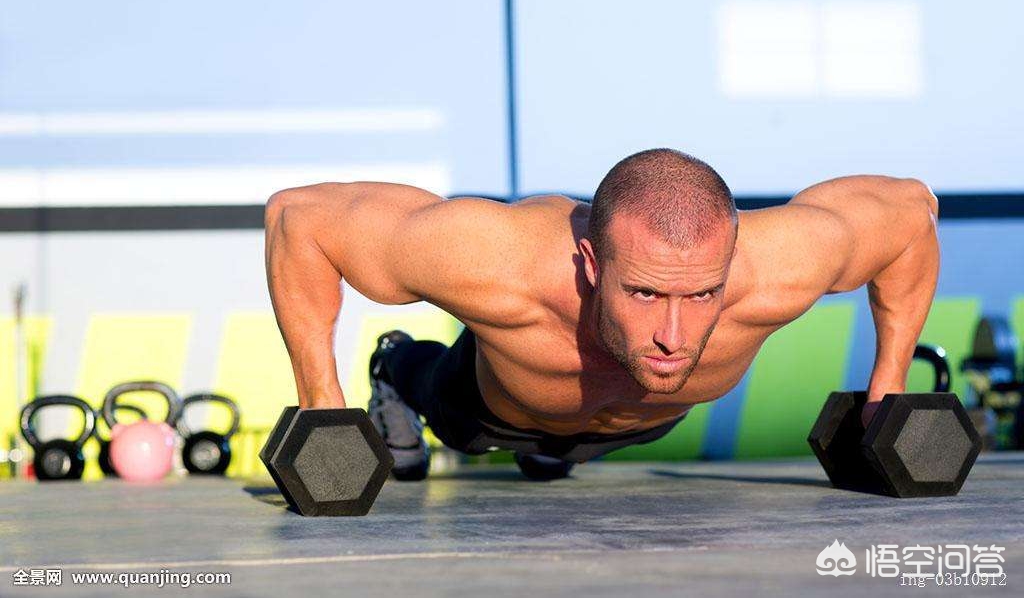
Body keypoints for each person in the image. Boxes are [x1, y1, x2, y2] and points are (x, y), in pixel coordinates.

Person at [264, 148, 940, 480]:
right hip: (488, 409)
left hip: (640, 424)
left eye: (702, 295)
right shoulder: (497, 260)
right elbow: (300, 217)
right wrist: (321, 400)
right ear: (591, 264)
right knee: (450, 406)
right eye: (645, 293)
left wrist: (890, 385)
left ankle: (558, 449)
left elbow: (909, 213)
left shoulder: (781, 266)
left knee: (565, 449)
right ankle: (395, 363)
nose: (674, 338)